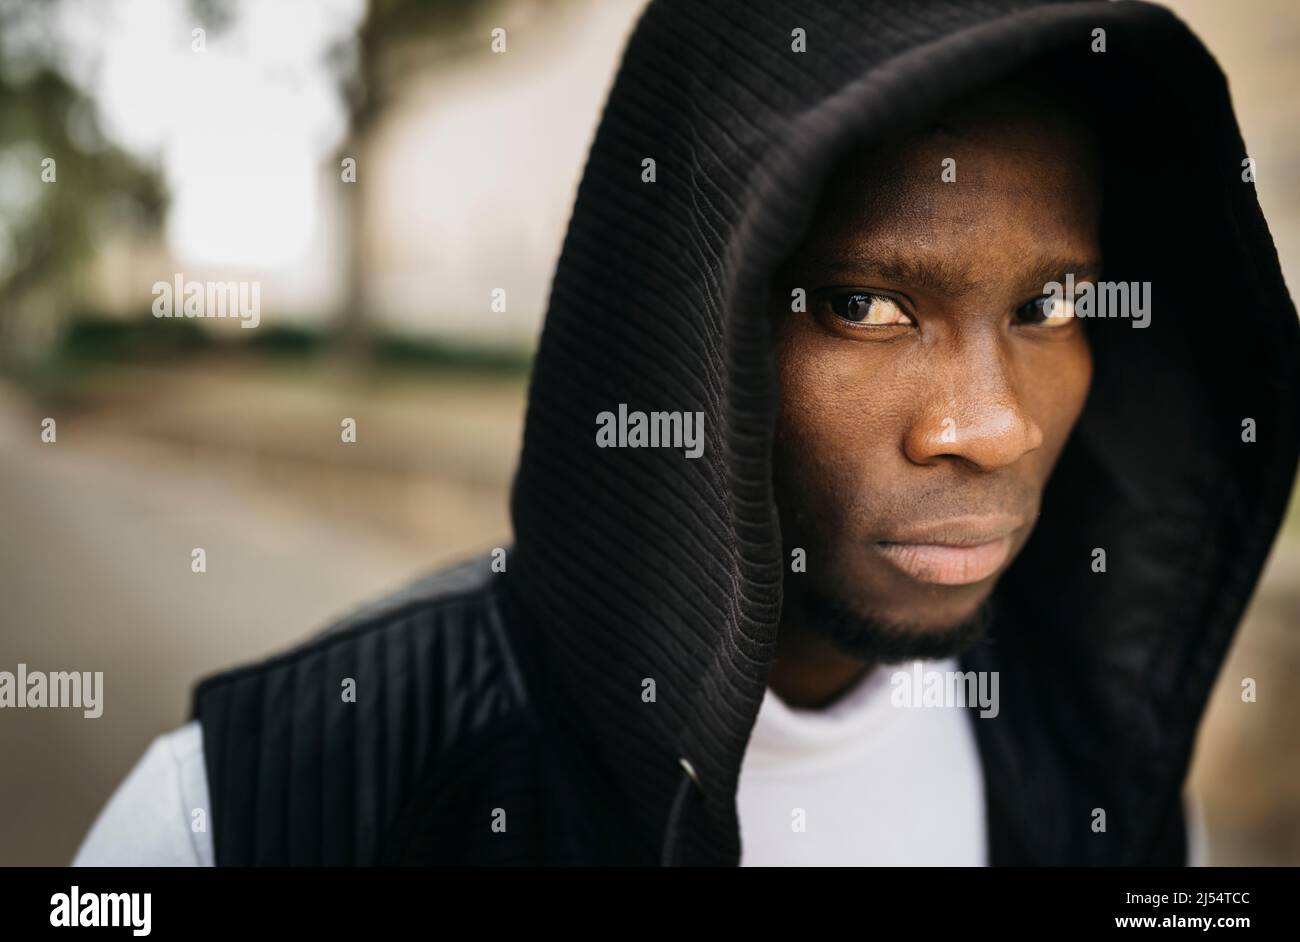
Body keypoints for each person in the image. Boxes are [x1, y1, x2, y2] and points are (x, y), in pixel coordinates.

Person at [75, 0, 1299, 866]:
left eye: (1048, 306)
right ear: (680, 322)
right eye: (860, 305)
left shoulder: (1100, 768)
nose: (990, 425)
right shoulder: (254, 807)